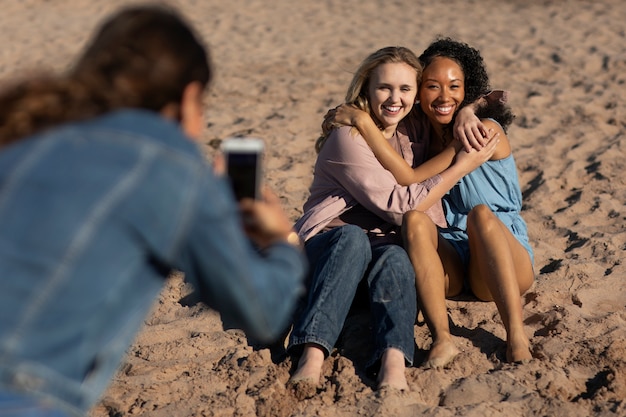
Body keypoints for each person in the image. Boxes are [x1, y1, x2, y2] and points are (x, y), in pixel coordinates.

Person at [0, 5, 306, 417]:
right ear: (189, 96)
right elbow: (261, 312)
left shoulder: (29, 136)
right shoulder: (172, 165)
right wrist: (282, 243)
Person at [287, 46, 498, 393]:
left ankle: (394, 360)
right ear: (366, 89)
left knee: (397, 255)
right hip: (327, 255)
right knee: (352, 238)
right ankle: (312, 352)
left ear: (415, 95)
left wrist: (469, 111)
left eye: (405, 89)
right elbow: (401, 207)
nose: (393, 98)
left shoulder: (412, 132)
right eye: (384, 88)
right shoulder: (347, 138)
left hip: (372, 266)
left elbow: (458, 95)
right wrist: (462, 167)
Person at [333, 37, 535, 368]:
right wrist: (352, 113)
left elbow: (409, 177)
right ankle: (443, 339)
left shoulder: (482, 130)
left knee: (481, 216)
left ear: (467, 89)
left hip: (504, 256)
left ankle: (516, 335)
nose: (444, 96)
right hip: (454, 260)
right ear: (419, 90)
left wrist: (363, 123)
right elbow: (388, 103)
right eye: (432, 86)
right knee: (413, 218)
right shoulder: (425, 131)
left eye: (455, 87)